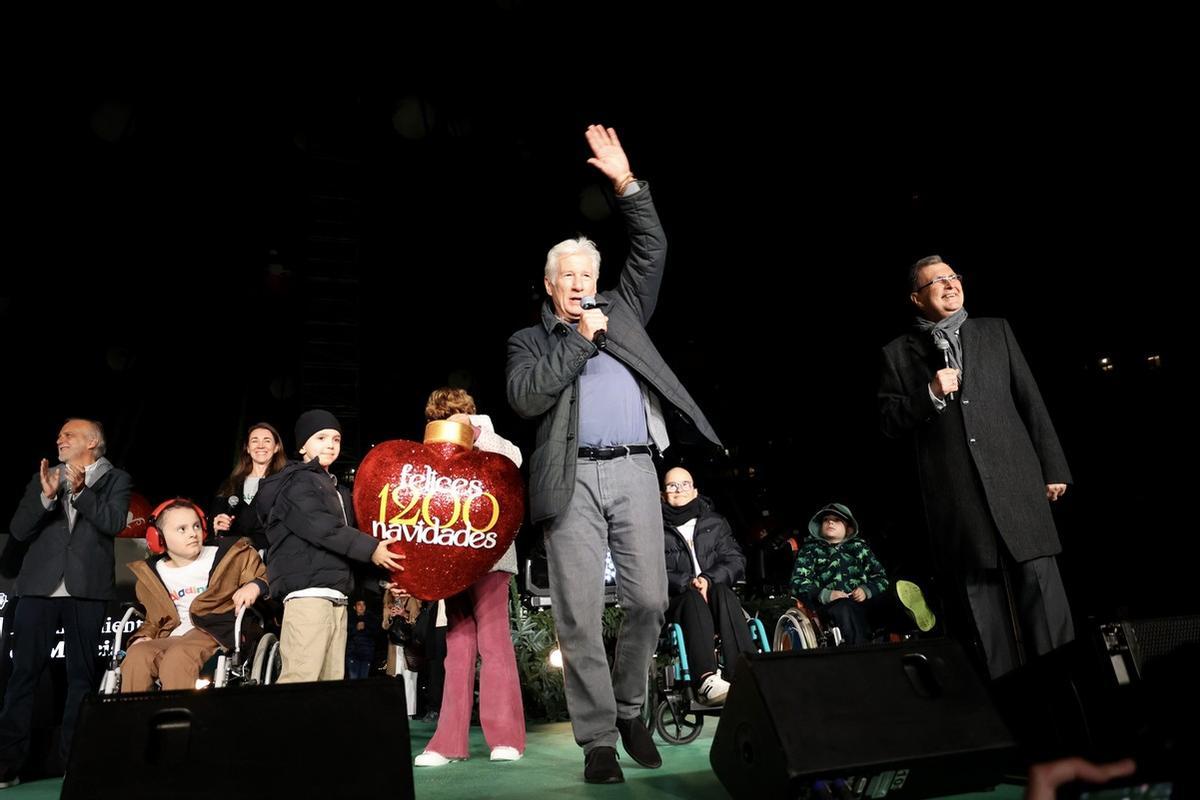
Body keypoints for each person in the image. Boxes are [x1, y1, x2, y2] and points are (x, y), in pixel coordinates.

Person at [506, 125, 721, 784]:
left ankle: (630, 708)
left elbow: (653, 247)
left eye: (587, 274)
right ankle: (598, 739)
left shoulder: (622, 312)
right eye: (566, 275)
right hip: (570, 482)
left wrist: (627, 185)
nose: (578, 283)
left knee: (652, 598)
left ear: (599, 281)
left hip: (633, 469)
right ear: (549, 285)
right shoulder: (530, 341)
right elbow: (527, 399)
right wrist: (578, 342)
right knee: (576, 612)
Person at [879, 255, 1074, 678]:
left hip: (1016, 484)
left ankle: (1065, 696)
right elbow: (889, 422)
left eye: (953, 277)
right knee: (984, 619)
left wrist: (1052, 467)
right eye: (937, 281)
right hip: (957, 498)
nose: (950, 285)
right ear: (916, 297)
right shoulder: (898, 353)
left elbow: (1030, 400)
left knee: (1044, 600)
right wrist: (929, 392)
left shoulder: (995, 330)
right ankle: (1008, 709)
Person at [0, 419, 132, 787]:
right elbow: (19, 529)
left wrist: (82, 493)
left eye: (68, 434)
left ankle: (74, 765)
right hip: (38, 590)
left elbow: (114, 522)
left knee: (82, 680)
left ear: (92, 443)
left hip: (87, 591)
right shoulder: (45, 475)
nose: (59, 439)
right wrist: (45, 497)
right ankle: (7, 764)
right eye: (58, 434)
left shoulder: (116, 479)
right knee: (22, 676)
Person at [413, 388, 525, 766]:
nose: (450, 422)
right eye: (442, 418)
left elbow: (514, 461)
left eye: (456, 415)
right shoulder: (434, 447)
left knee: (494, 643)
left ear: (470, 414)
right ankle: (447, 743)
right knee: (457, 648)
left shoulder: (490, 440)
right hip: (452, 557)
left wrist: (477, 432)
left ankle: (505, 739)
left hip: (491, 555)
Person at [254, 409, 404, 682]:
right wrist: (373, 549)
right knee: (300, 679)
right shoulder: (295, 483)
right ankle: (280, 726)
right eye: (321, 437)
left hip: (336, 597)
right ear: (301, 445)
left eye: (336, 439)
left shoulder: (337, 489)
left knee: (329, 685)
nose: (330, 444)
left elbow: (343, 546)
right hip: (308, 596)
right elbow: (323, 529)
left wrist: (384, 578)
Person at [121, 498, 267, 691]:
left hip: (215, 630)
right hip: (174, 634)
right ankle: (134, 718)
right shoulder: (153, 574)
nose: (192, 534)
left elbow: (264, 576)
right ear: (158, 538)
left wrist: (255, 585)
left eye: (196, 526)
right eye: (182, 529)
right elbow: (153, 619)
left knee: (178, 657)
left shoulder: (230, 555)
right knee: (138, 655)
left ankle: (178, 719)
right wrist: (144, 636)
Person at [661, 467, 754, 706]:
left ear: (694, 491)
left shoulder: (715, 522)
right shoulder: (654, 527)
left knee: (722, 591)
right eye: (672, 485)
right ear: (663, 494)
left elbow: (735, 560)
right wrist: (687, 582)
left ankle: (744, 673)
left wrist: (708, 579)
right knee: (691, 599)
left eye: (684, 484)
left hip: (714, 592)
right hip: (679, 598)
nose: (679, 489)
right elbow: (651, 568)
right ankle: (707, 679)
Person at [790, 503, 936, 645]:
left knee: (892, 591)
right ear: (820, 527)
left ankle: (913, 619)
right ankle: (861, 652)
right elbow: (798, 583)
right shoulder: (810, 551)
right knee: (845, 608)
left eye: (837, 520)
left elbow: (880, 576)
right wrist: (827, 594)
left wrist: (866, 590)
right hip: (831, 607)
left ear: (848, 529)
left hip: (864, 603)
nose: (830, 522)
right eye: (826, 520)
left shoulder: (859, 547)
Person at [211, 422, 287, 551]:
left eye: (267, 441)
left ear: (276, 447)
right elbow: (214, 518)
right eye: (254, 441)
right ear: (247, 448)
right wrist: (217, 524)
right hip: (233, 555)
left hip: (270, 558)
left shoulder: (285, 483)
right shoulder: (231, 484)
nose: (260, 446)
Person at [345, 598, 380, 680]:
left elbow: (377, 633)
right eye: (359, 604)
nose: (361, 606)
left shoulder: (371, 618)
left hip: (366, 655)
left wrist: (366, 627)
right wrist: (355, 628)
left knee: (364, 681)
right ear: (354, 607)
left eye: (363, 604)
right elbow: (345, 634)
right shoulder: (349, 618)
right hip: (353, 654)